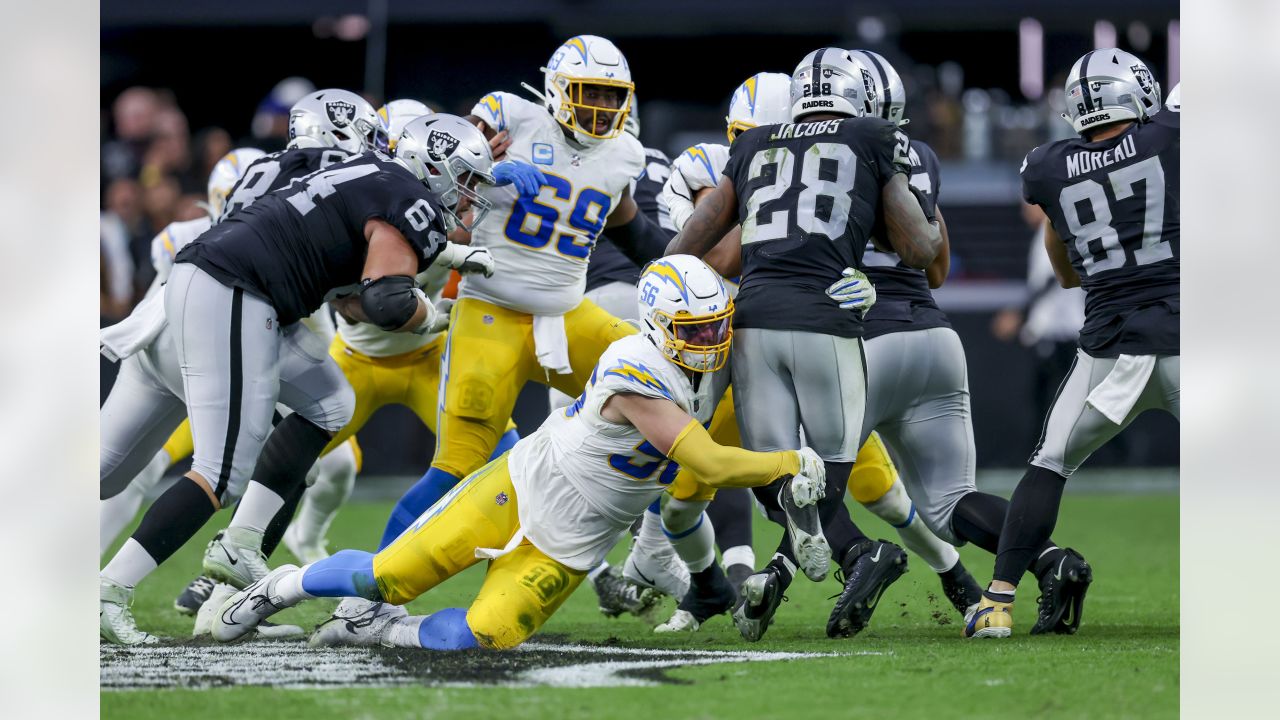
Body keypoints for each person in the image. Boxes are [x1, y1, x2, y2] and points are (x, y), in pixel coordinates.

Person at [212, 256, 826, 651]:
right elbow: (711, 465)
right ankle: (279, 588)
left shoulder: (720, 361)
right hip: (526, 485)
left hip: (578, 538)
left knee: (485, 636)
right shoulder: (634, 363)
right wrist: (789, 462)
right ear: (658, 325)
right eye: (695, 330)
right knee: (387, 574)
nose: (712, 340)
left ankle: (378, 630)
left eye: (717, 325)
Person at [99, 114, 533, 645]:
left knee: (329, 402)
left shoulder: (369, 171)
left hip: (205, 287)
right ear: (434, 168)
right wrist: (433, 314)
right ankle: (108, 593)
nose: (467, 200)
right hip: (235, 293)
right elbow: (386, 300)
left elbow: (352, 302)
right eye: (464, 182)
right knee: (220, 472)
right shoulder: (406, 196)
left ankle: (242, 542)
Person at [668, 48, 942, 641]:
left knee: (775, 471)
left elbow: (699, 232)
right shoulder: (871, 135)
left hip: (754, 318)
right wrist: (923, 220)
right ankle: (838, 548)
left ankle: (800, 547)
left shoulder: (754, 141)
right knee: (833, 463)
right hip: (826, 314)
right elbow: (919, 251)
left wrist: (659, 275)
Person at [379, 35, 674, 551]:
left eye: (612, 95)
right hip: (491, 307)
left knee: (666, 397)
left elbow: (637, 236)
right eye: (590, 92)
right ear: (558, 89)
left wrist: (702, 267)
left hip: (568, 312)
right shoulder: (510, 116)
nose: (603, 107)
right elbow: (423, 173)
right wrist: (483, 169)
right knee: (459, 464)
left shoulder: (625, 155)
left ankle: (658, 548)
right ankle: (366, 589)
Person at [967, 49, 1179, 639]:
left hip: (1108, 346)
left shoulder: (1048, 166)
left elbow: (1065, 274)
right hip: (1186, 337)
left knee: (1049, 463)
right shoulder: (1170, 134)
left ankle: (997, 602)